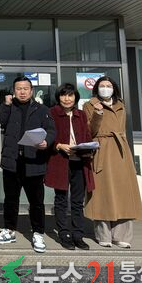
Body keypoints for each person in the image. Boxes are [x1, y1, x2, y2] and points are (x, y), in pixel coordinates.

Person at [0, 76, 55, 254]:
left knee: (36, 201)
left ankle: (38, 233)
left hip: (33, 161)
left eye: (25, 88)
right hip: (12, 161)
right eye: (18, 89)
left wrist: (46, 141)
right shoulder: (9, 107)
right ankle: (9, 230)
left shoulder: (42, 109)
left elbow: (51, 130)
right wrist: (5, 105)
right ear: (14, 91)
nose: (22, 92)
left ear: (31, 91)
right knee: (10, 199)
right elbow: (1, 123)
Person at [82, 76, 142, 248]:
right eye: (102, 85)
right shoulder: (89, 105)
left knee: (124, 192)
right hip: (101, 149)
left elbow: (122, 129)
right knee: (102, 193)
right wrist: (98, 113)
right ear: (96, 88)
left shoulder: (121, 105)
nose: (105, 88)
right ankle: (104, 235)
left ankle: (122, 236)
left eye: (108, 85)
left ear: (114, 88)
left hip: (120, 151)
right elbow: (89, 131)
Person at [45, 83, 95, 251]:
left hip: (79, 161)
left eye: (70, 95)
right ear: (58, 97)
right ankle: (64, 234)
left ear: (75, 97)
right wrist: (59, 145)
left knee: (77, 201)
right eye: (63, 95)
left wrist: (89, 147)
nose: (67, 99)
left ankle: (78, 235)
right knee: (61, 199)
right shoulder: (52, 113)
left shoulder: (81, 114)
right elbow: (47, 137)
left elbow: (87, 135)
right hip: (60, 161)